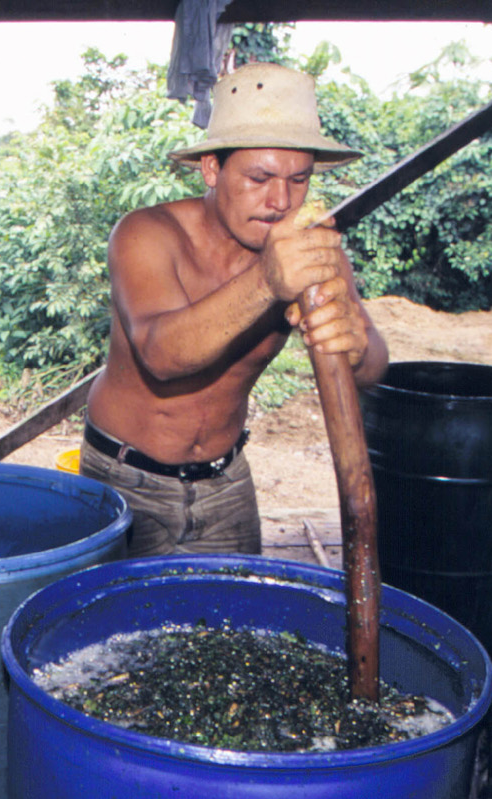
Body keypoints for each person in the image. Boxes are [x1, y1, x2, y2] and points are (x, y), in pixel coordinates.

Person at [80, 62, 390, 558]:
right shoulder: (146, 234)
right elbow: (161, 355)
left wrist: (354, 343)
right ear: (212, 169)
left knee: (234, 629)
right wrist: (267, 279)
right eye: (260, 178)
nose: (280, 201)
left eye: (299, 180)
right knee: (119, 631)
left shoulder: (306, 252)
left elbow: (373, 365)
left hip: (225, 483)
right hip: (123, 479)